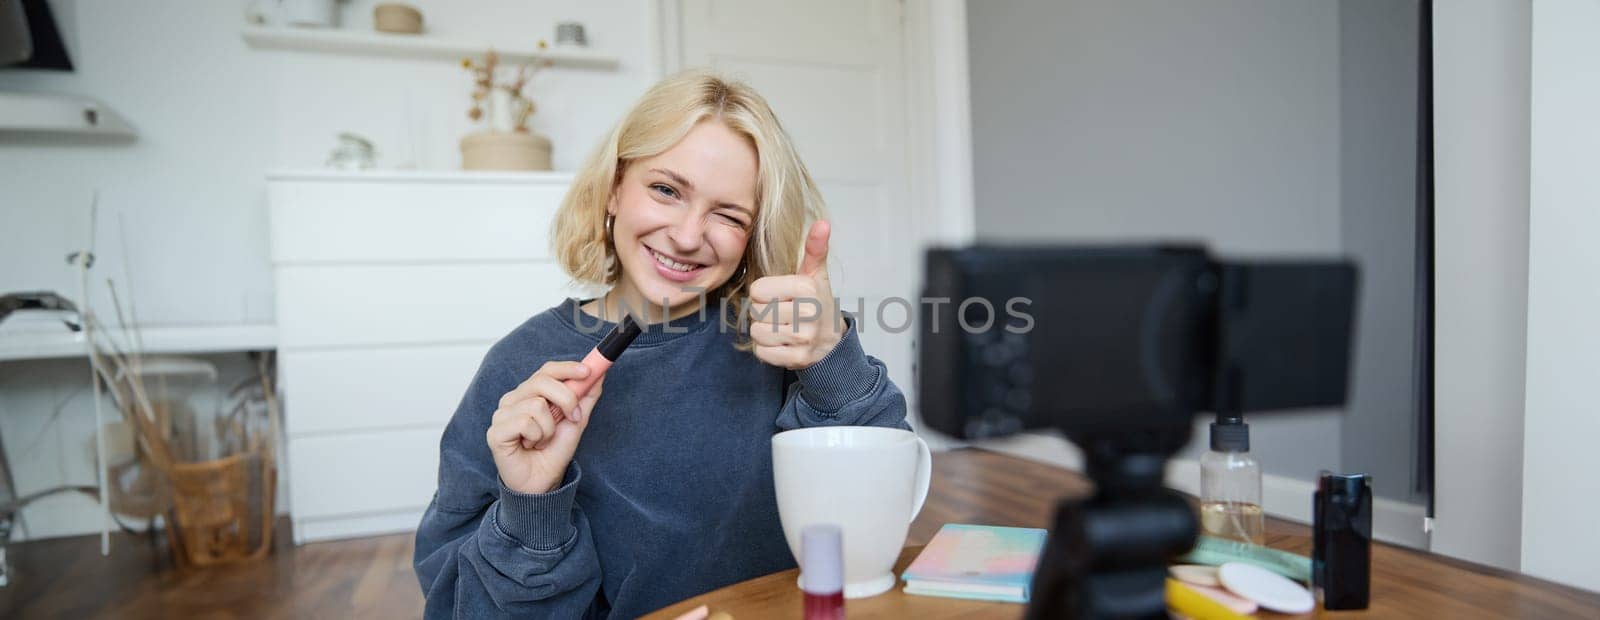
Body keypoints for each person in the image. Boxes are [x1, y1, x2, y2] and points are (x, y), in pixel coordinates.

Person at [412, 70, 910, 618]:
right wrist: (531, 506)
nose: (689, 235)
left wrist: (832, 360)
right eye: (666, 190)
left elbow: (881, 512)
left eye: (728, 214)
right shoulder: (517, 366)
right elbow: (458, 605)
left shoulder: (787, 350)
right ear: (613, 188)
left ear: (751, 237)